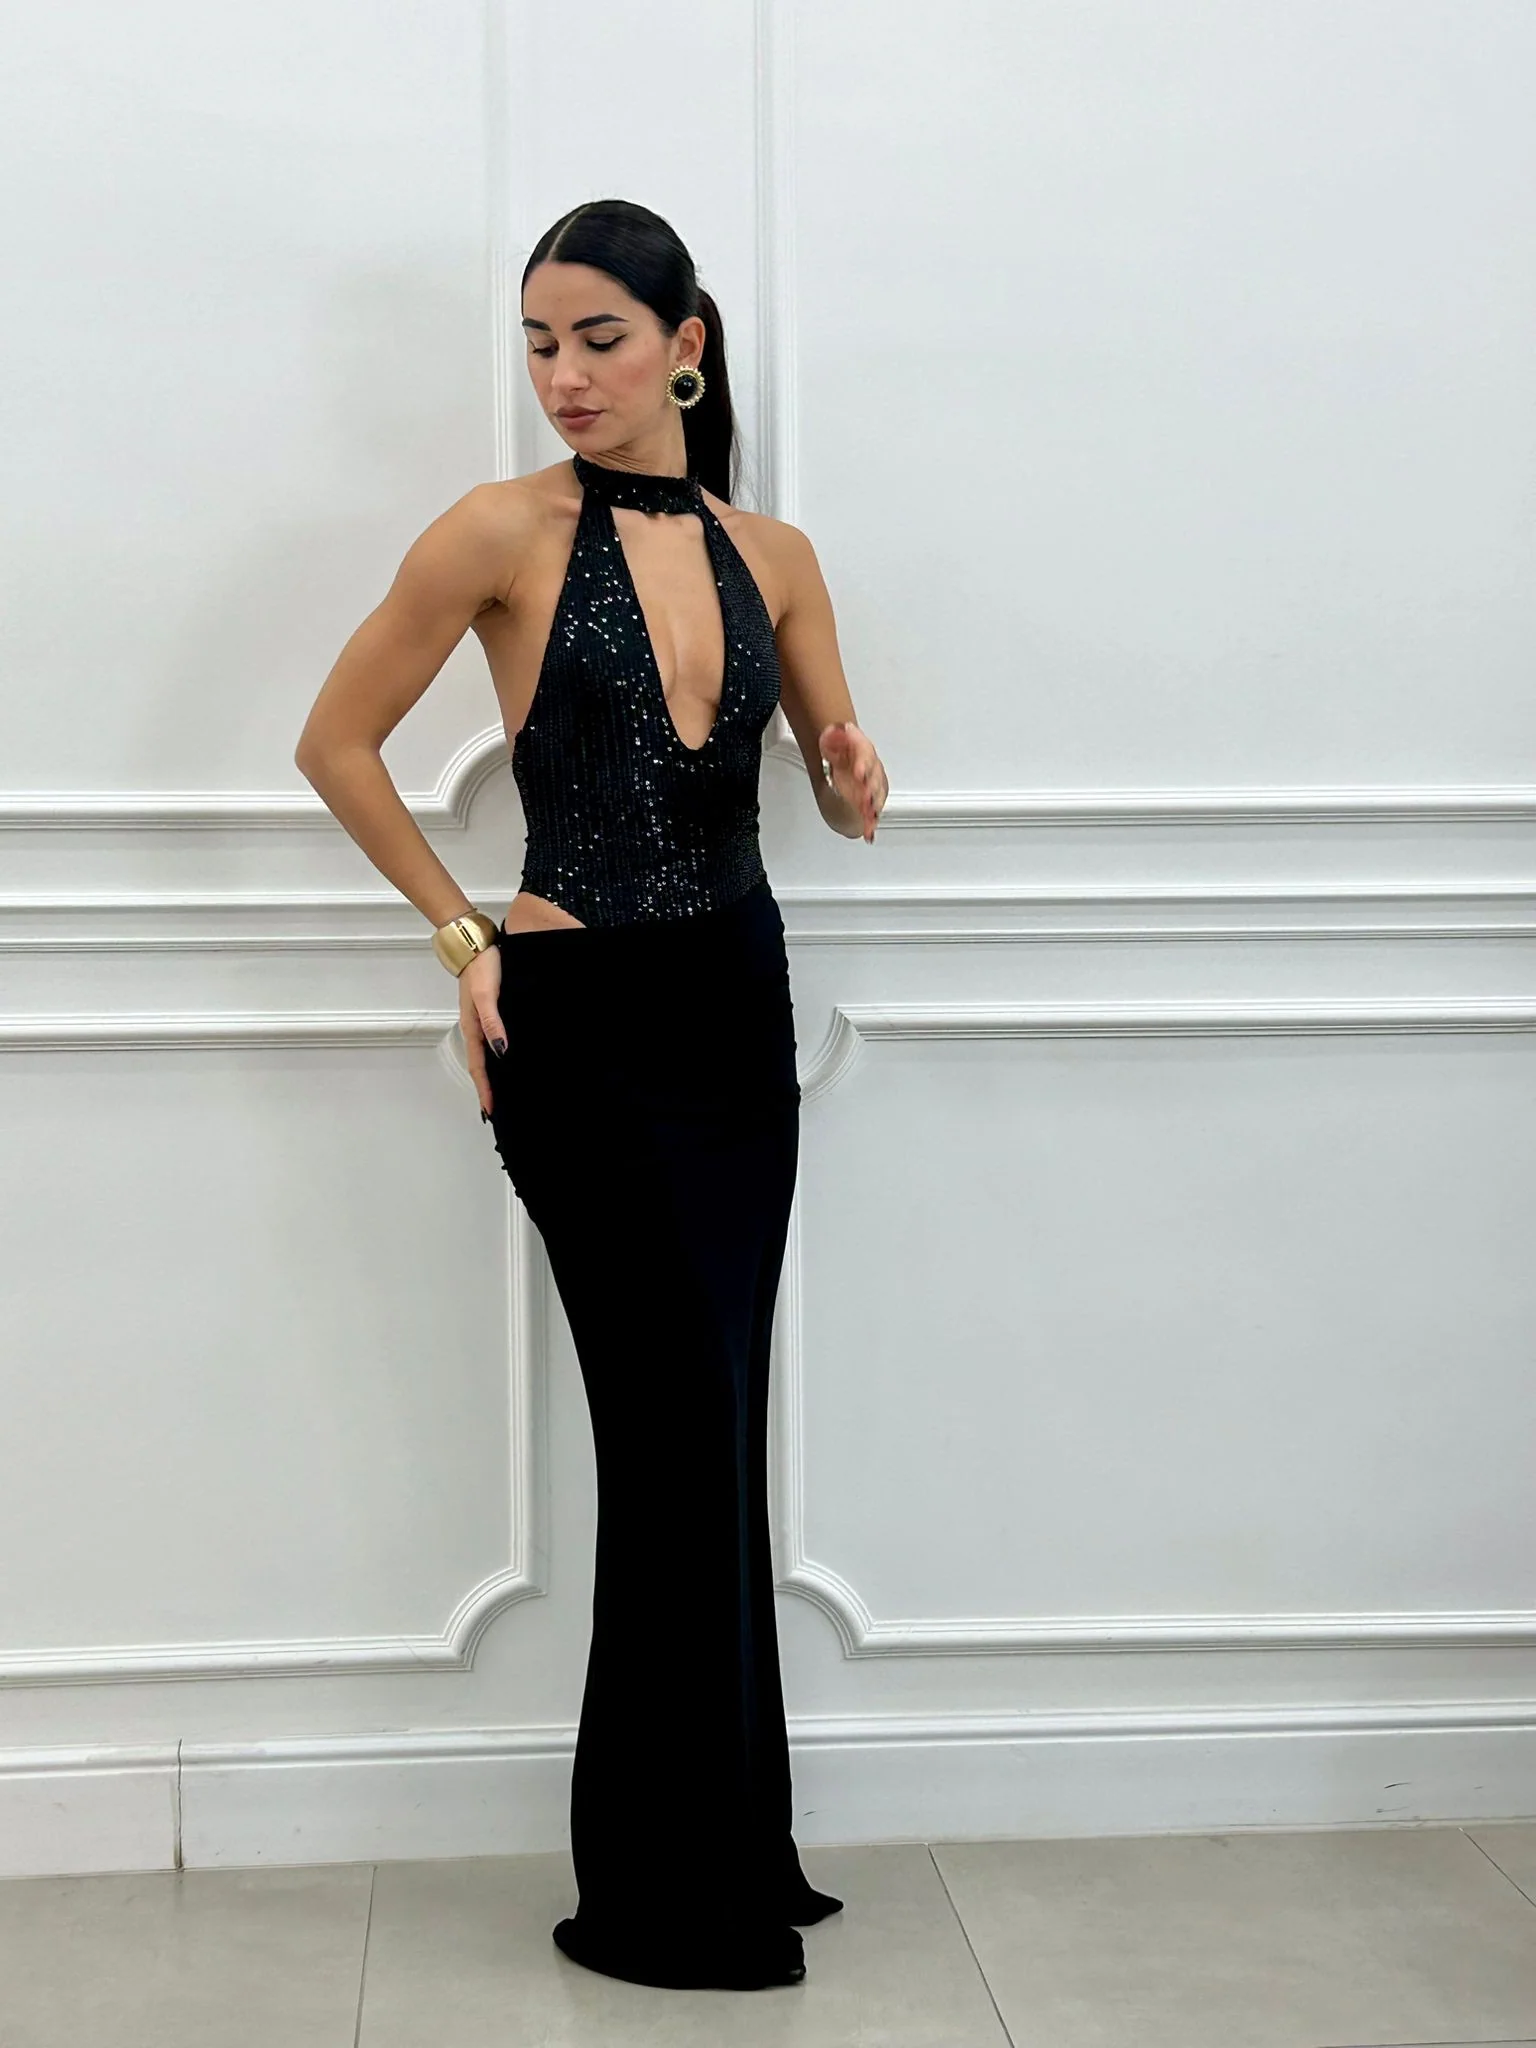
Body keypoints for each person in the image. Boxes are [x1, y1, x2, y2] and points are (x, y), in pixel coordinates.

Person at [294, 196, 889, 1992]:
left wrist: (852, 773)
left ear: (684, 346)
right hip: (582, 1026)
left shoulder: (775, 553)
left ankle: (729, 1848)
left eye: (599, 341)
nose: (563, 376)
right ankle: (656, 1889)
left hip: (735, 1015)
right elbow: (334, 743)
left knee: (719, 1424)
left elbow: (836, 785)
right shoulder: (498, 530)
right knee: (667, 1433)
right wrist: (460, 934)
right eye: (540, 345)